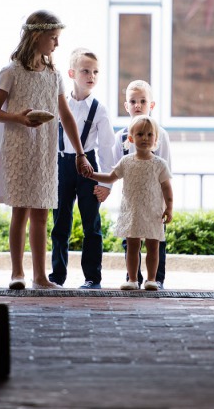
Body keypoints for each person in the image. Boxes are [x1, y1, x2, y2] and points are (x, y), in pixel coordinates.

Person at [0, 10, 93, 290]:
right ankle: (17, 273)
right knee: (19, 211)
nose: (56, 44)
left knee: (42, 213)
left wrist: (80, 153)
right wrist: (18, 118)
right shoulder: (11, 72)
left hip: (45, 150)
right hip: (19, 149)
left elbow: (66, 115)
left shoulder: (54, 75)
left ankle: (40, 276)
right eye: (53, 39)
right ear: (37, 36)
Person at [49, 48, 116, 289]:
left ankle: (92, 278)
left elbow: (108, 147)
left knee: (92, 225)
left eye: (96, 72)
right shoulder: (59, 104)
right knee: (60, 223)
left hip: (88, 167)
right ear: (71, 73)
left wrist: (106, 183)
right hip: (61, 165)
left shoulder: (99, 109)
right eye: (86, 71)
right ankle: (57, 276)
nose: (92, 76)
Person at [83, 115, 174, 291]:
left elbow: (167, 188)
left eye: (149, 135)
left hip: (153, 211)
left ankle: (151, 279)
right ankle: (132, 279)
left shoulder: (160, 164)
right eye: (140, 134)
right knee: (132, 246)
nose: (145, 138)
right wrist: (91, 174)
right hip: (132, 211)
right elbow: (110, 177)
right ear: (131, 138)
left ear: (156, 139)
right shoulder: (126, 161)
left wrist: (169, 208)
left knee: (153, 247)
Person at [109, 79, 172, 288]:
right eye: (133, 101)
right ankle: (132, 277)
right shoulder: (120, 138)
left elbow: (165, 170)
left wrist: (166, 204)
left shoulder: (160, 135)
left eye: (143, 101)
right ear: (126, 106)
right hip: (133, 199)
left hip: (154, 199)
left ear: (151, 105)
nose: (138, 105)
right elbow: (117, 168)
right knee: (131, 240)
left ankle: (156, 278)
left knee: (156, 240)